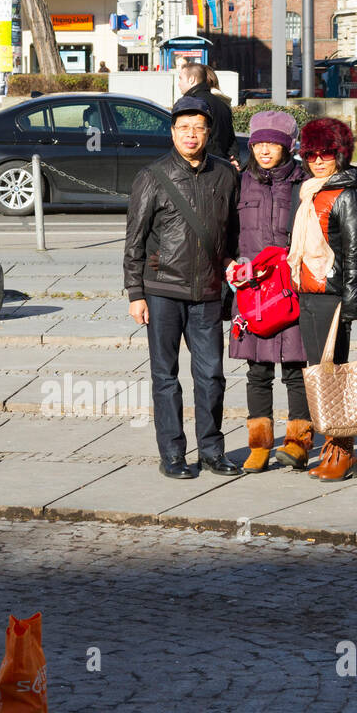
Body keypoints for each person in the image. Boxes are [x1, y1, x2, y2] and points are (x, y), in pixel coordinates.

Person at [124, 95, 242, 480]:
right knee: (165, 376)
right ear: (172, 132)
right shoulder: (152, 177)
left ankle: (211, 451)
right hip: (162, 291)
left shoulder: (225, 174)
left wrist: (230, 263)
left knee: (211, 376)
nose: (191, 135)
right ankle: (172, 454)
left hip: (208, 292)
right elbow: (135, 241)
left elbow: (232, 232)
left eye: (198, 128)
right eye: (183, 128)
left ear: (209, 133)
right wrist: (135, 294)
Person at [227, 111, 313, 472]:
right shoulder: (239, 182)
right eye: (259, 143)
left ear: (288, 146)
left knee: (296, 370)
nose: (264, 150)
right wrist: (229, 263)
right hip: (251, 293)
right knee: (257, 371)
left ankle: (298, 443)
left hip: (291, 290)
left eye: (273, 144)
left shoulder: (305, 183)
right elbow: (226, 231)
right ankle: (259, 446)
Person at [290, 117, 357, 480]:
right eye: (311, 154)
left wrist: (351, 303)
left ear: (341, 154)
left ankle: (343, 452)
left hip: (332, 295)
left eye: (326, 153)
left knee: (334, 376)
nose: (318, 160)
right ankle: (329, 448)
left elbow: (356, 253)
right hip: (308, 292)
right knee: (317, 376)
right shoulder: (310, 191)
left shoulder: (346, 194)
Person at [177, 61, 239, 168]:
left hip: (202, 167)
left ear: (191, 80)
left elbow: (196, 139)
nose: (179, 83)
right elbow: (231, 138)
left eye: (180, 78)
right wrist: (232, 158)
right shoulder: (222, 104)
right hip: (222, 165)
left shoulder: (189, 104)